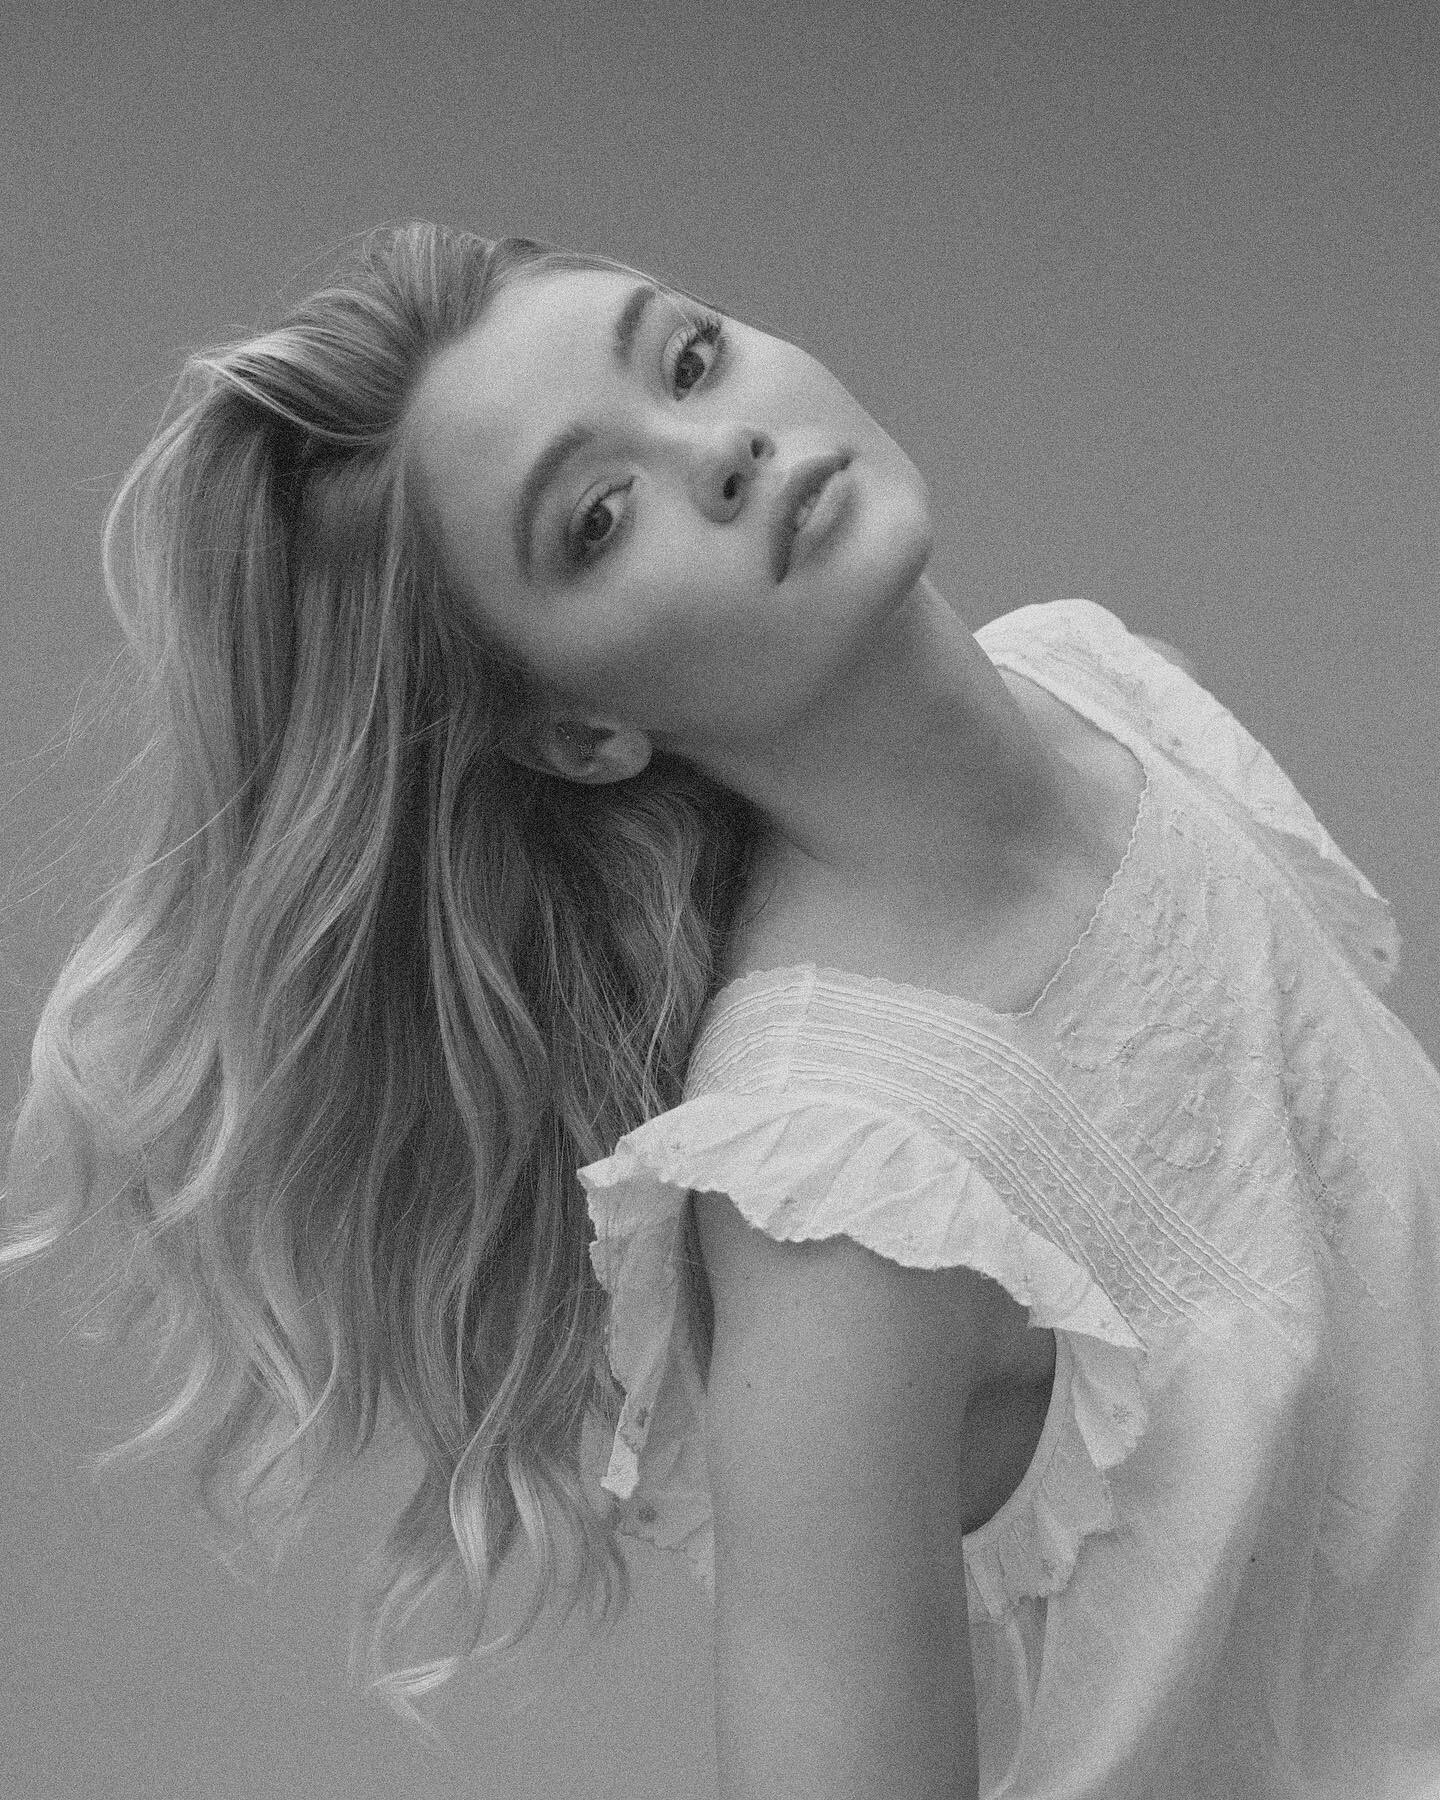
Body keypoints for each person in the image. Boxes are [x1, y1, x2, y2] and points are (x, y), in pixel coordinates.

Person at [4, 222, 1439, 1799]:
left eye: (687, 359)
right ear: (580, 734)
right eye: (599, 518)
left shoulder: (1105, 694)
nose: (725, 449)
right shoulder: (846, 1201)